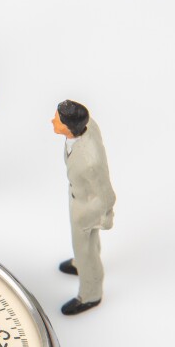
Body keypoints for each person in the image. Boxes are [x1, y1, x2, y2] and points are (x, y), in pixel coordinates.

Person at [51, 100, 116, 315]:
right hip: (78, 197)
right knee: (86, 245)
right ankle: (80, 262)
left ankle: (90, 294)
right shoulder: (86, 127)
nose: (53, 121)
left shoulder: (90, 161)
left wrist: (104, 216)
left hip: (87, 207)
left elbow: (106, 193)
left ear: (69, 127)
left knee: (85, 249)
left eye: (58, 120)